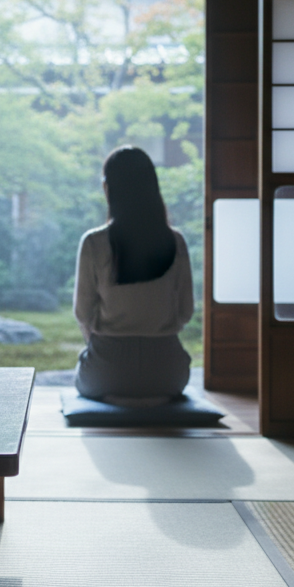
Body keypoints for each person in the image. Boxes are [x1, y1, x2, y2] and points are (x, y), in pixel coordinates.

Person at [73, 146, 194, 404]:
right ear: (153, 188)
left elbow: (83, 313)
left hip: (106, 372)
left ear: (108, 188)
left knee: (84, 370)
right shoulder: (176, 242)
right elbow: (185, 312)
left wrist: (102, 340)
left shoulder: (94, 243)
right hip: (167, 374)